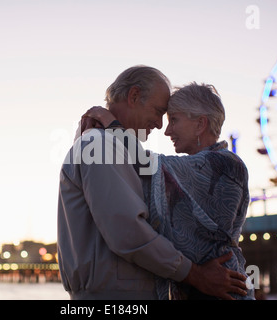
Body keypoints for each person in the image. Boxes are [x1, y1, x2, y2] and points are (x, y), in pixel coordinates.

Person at [57, 65, 248, 300]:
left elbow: (151, 165)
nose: (162, 127)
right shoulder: (101, 146)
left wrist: (109, 124)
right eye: (159, 112)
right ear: (134, 96)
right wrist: (195, 275)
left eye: (172, 119)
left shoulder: (225, 166)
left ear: (200, 124)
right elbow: (127, 231)